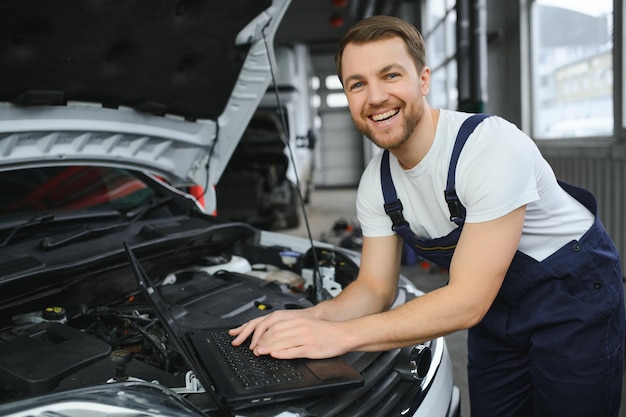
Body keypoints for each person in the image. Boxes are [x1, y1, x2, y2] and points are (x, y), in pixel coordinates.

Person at [230, 15, 625, 417]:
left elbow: (467, 301)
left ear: (423, 80)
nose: (376, 96)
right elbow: (374, 288)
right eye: (358, 84)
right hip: (496, 304)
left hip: (571, 293)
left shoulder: (489, 147)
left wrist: (338, 337)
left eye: (390, 75)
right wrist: (300, 321)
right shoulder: (376, 184)